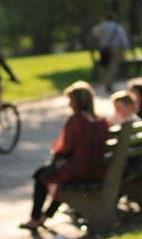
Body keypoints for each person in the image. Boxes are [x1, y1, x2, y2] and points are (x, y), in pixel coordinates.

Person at [19, 81, 109, 230]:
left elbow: (63, 148)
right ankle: (46, 216)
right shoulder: (101, 121)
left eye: (71, 101)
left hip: (81, 171)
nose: (69, 105)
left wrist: (56, 152)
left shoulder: (77, 120)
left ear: (78, 102)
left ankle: (36, 218)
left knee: (43, 175)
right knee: (57, 175)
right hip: (99, 169)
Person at [92, 14, 130, 92]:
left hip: (104, 49)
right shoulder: (117, 27)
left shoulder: (101, 26)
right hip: (115, 49)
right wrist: (126, 48)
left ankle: (106, 82)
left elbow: (94, 33)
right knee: (113, 67)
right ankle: (108, 83)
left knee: (105, 66)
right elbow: (123, 38)